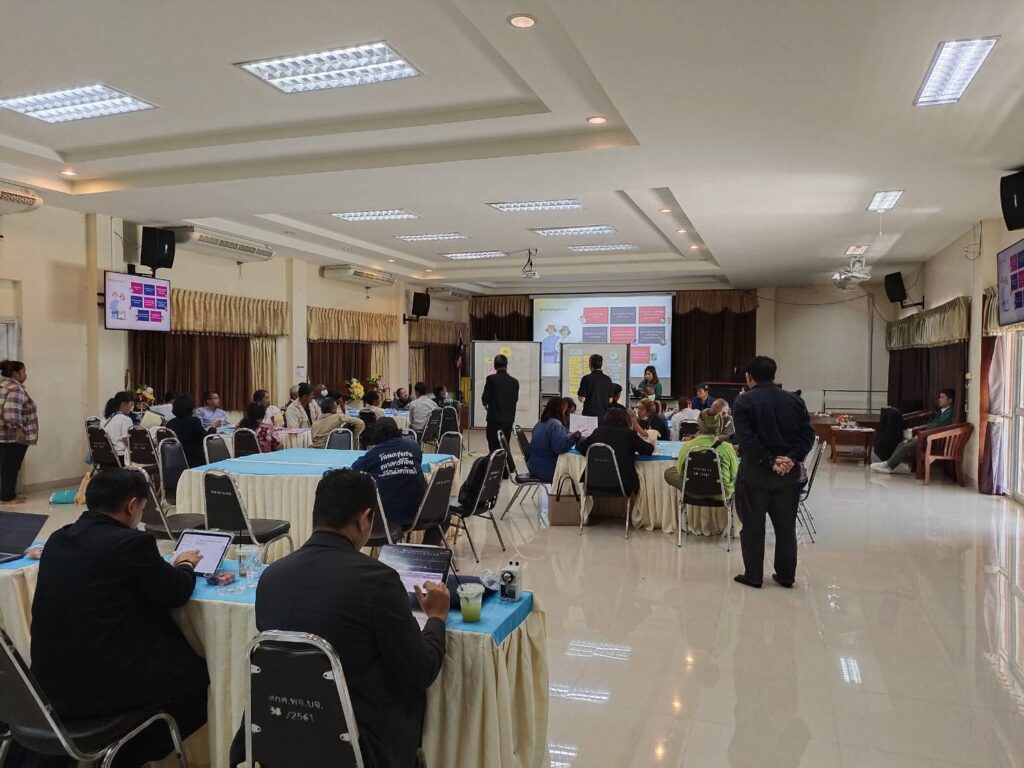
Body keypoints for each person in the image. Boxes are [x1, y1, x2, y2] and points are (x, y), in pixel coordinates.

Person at [230, 469, 449, 768]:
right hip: (358, 745)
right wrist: (436, 617)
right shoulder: (377, 580)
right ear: (365, 518)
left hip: (280, 736)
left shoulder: (272, 577)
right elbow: (421, 671)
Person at [30, 469, 209, 766]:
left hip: (49, 688)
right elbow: (175, 592)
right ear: (132, 506)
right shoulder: (131, 544)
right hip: (103, 691)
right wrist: (185, 565)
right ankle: (125, 756)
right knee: (200, 679)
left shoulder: (58, 539)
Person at [732, 356, 815, 589]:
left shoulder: (744, 401)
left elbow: (746, 440)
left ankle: (754, 576)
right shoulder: (795, 400)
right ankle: (786, 575)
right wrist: (790, 458)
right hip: (788, 476)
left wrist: (770, 461)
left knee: (753, 526)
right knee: (786, 528)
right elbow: (808, 436)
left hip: (756, 475)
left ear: (749, 377)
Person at [352, 417, 428, 531]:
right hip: (419, 511)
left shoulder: (375, 453)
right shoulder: (414, 446)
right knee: (444, 517)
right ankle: (425, 543)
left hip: (388, 516)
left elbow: (355, 468)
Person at [871, 389, 956, 474]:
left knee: (906, 446)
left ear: (950, 400)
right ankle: (888, 464)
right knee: (902, 444)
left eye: (942, 397)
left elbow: (937, 426)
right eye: (940, 397)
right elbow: (933, 425)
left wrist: (922, 435)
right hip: (928, 437)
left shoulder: (949, 412)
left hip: (933, 440)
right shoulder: (942, 411)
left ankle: (888, 466)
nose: (940, 399)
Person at [577, 407, 654, 497]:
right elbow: (649, 450)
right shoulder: (629, 434)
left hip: (593, 482)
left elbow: (583, 449)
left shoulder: (598, 431)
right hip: (622, 484)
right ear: (626, 420)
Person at [664, 409, 738, 498]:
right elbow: (734, 473)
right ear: (720, 426)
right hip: (721, 494)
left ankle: (694, 489)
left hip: (694, 492)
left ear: (698, 426)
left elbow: (681, 471)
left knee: (669, 473)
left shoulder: (688, 446)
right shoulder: (727, 447)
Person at [0, 360, 37, 504]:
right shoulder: (15, 388)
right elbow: (11, 412)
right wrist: (19, 431)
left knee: (6, 466)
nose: (26, 375)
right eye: (23, 372)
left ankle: (7, 494)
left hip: (2, 435)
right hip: (11, 436)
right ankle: (7, 497)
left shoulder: (3, 386)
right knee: (11, 466)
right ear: (15, 374)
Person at [528, 397, 581, 482]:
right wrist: (575, 436)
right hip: (547, 470)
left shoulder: (540, 423)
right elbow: (560, 448)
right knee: (576, 473)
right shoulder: (556, 425)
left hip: (533, 467)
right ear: (560, 410)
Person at [482, 353, 520, 453]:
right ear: (506, 365)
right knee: (504, 446)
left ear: (495, 366)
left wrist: (486, 405)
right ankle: (504, 462)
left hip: (494, 420)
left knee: (493, 448)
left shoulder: (491, 379)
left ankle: (495, 463)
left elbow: (485, 399)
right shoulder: (514, 382)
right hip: (508, 420)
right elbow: (515, 399)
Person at [167, 395, 210, 468]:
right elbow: (206, 439)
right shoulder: (194, 421)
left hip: (175, 461)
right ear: (191, 408)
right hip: (194, 461)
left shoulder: (170, 423)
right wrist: (213, 428)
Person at [578, 353, 613, 422]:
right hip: (603, 416)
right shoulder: (608, 379)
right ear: (601, 364)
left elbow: (582, 399)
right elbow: (610, 400)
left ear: (590, 364)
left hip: (589, 416)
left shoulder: (586, 378)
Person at [102, 390, 135, 457]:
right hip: (121, 457)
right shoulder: (125, 419)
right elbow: (128, 442)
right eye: (131, 404)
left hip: (105, 456)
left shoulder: (105, 419)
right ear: (124, 404)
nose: (131, 407)